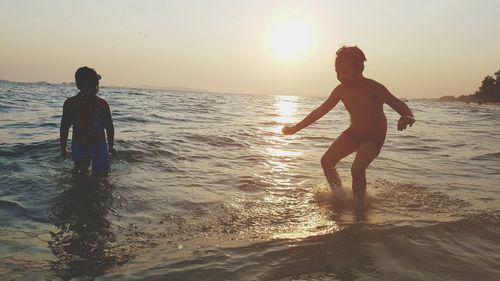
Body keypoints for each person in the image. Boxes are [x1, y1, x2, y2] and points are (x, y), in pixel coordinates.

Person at [282, 46, 415, 202]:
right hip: (354, 132)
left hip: (374, 136)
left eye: (346, 73)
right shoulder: (340, 90)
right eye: (338, 73)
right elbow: (320, 111)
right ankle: (339, 197)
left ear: (360, 69)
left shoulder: (374, 87)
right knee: (326, 162)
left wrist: (407, 116)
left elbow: (398, 104)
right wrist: (295, 128)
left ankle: (360, 206)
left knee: (357, 169)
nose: (341, 77)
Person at [60, 66, 117, 176]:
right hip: (79, 144)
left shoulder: (102, 104)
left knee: (103, 175)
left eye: (96, 84)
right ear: (79, 85)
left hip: (99, 144)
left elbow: (109, 127)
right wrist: (63, 148)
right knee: (80, 173)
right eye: (91, 84)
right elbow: (64, 127)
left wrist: (110, 146)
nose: (95, 87)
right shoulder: (70, 104)